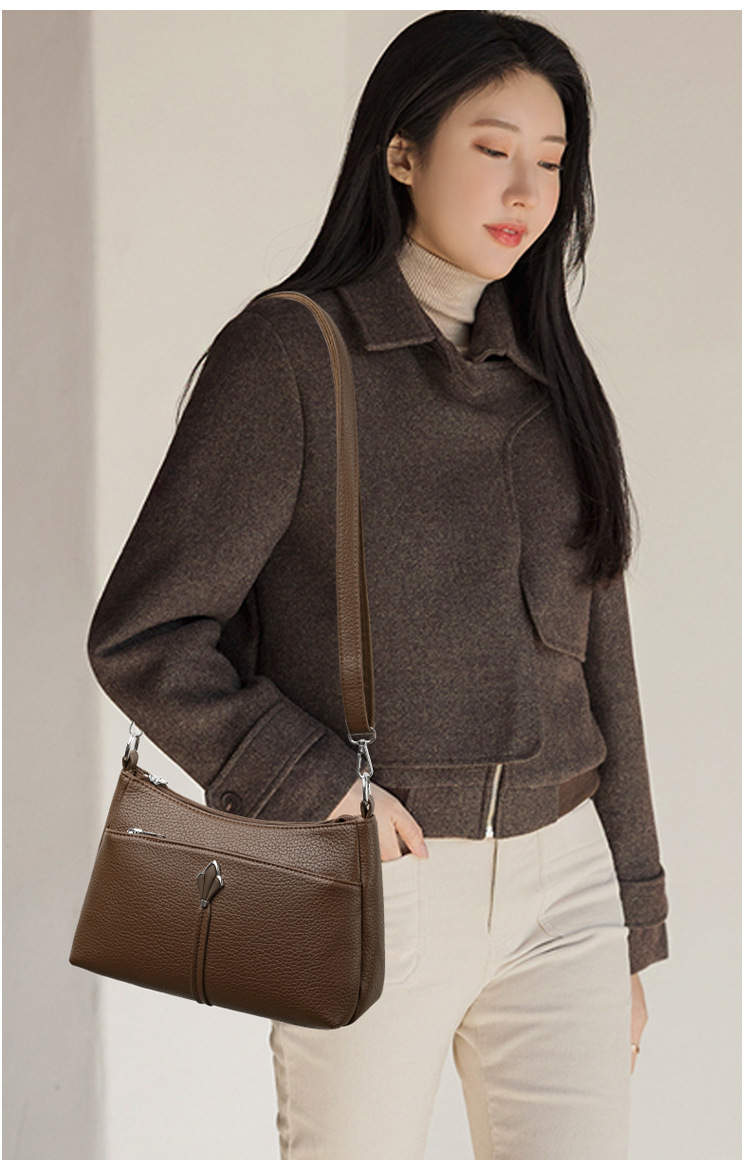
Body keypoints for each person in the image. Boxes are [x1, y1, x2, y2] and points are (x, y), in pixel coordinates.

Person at [86, 10, 669, 1159]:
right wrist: (316, 788)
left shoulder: (548, 372)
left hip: (567, 889)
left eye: (553, 162)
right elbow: (148, 634)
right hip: (379, 883)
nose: (527, 190)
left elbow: (605, 660)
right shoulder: (293, 355)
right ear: (401, 153)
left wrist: (632, 923)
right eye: (492, 148)